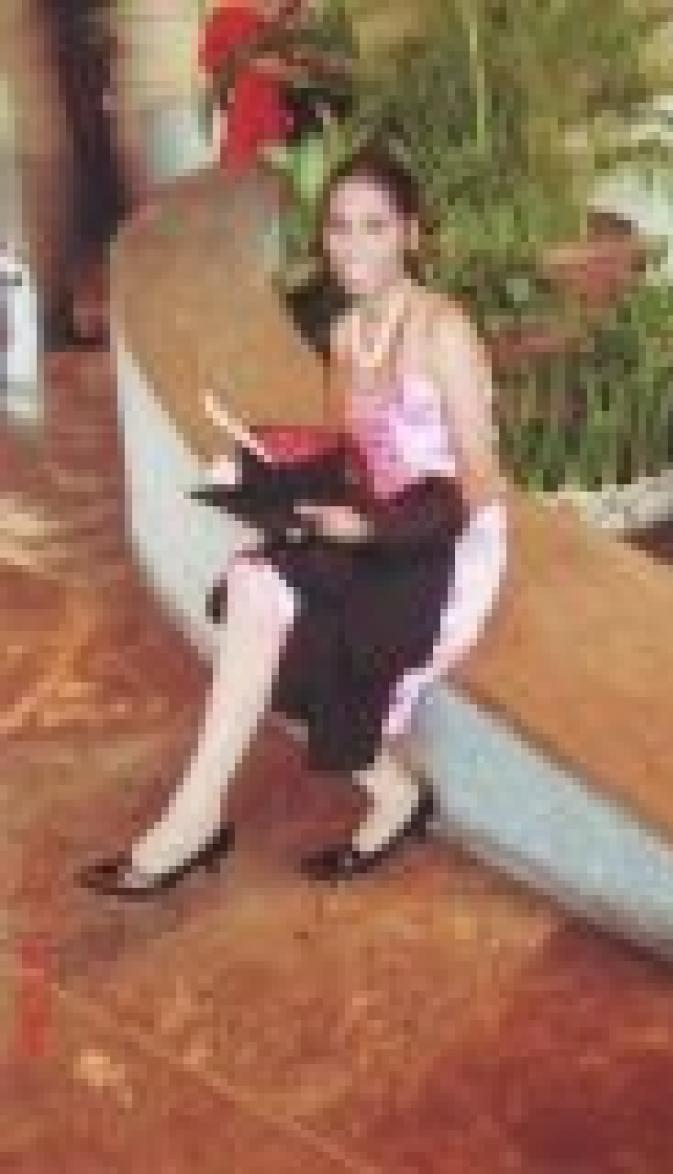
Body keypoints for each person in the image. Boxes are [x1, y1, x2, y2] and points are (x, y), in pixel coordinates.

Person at [76, 144, 508, 894]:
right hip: (373, 527)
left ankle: (383, 796)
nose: (353, 245)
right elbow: (352, 460)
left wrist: (371, 532)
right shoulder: (343, 334)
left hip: (443, 544)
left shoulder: (443, 330)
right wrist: (259, 474)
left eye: (375, 226)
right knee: (255, 588)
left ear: (411, 233)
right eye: (339, 226)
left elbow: (480, 480)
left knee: (290, 623)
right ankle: (198, 818)